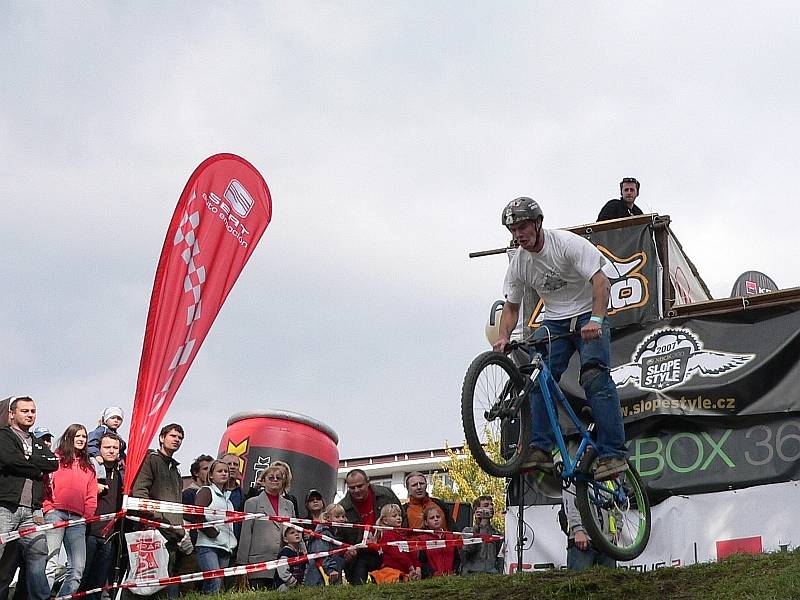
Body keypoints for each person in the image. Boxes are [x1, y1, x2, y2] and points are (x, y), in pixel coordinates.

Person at [494, 197, 628, 480]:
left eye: (523, 227)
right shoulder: (520, 263)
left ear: (538, 223)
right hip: (555, 320)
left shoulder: (566, 244)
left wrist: (596, 320)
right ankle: (540, 449)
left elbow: (601, 282)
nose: (519, 234)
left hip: (587, 312)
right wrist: (503, 339)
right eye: (513, 230)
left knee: (594, 375)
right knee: (535, 378)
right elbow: (512, 307)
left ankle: (613, 453)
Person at [0, 396, 58, 600]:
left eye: (33, 411)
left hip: (32, 511)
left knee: (38, 552)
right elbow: (8, 459)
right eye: (25, 411)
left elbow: (53, 463)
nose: (30, 415)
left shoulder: (36, 440)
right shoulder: (4, 435)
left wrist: (25, 459)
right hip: (5, 507)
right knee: (2, 560)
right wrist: (36, 467)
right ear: (12, 414)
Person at [130, 423, 190, 597]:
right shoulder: (151, 460)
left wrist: (180, 528)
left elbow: (177, 504)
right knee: (145, 587)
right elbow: (140, 492)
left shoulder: (176, 470)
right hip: (153, 530)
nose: (177, 440)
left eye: (180, 438)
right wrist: (156, 517)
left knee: (165, 584)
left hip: (173, 534)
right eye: (173, 436)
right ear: (162, 438)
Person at [43, 424, 97, 597]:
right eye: (78, 436)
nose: (81, 439)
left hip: (77, 520)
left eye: (84, 436)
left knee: (77, 569)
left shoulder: (89, 466)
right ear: (68, 437)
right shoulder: (55, 459)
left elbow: (91, 495)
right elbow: (44, 484)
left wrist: (87, 516)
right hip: (55, 514)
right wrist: (48, 508)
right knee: (50, 564)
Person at [338, 469, 403, 585]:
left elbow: (403, 518)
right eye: (352, 488)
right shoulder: (343, 507)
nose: (356, 490)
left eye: (359, 486)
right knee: (359, 588)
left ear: (368, 482)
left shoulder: (386, 495)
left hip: (388, 550)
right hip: (361, 555)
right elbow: (339, 537)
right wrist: (347, 552)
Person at [236, 464, 296, 588]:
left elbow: (294, 530)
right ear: (263, 481)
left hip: (283, 565)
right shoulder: (252, 503)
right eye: (271, 478)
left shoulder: (289, 505)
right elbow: (246, 534)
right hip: (259, 564)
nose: (275, 480)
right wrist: (242, 564)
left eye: (278, 478)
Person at [81, 433, 124, 600]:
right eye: (107, 447)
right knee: (82, 576)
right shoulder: (90, 469)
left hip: (110, 535)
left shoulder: (122, 473)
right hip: (89, 531)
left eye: (115, 448)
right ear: (98, 449)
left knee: (98, 583)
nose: (111, 451)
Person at [193, 460, 238, 594]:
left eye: (226, 471)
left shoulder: (228, 499)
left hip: (225, 547)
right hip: (208, 545)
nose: (224, 473)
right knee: (214, 581)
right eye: (220, 471)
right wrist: (214, 533)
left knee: (218, 586)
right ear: (211, 475)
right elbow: (197, 515)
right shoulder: (206, 491)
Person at [562, 484, 616, 570]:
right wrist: (578, 530)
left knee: (609, 581)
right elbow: (570, 505)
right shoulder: (573, 474)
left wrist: (618, 530)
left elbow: (618, 506)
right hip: (583, 541)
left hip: (607, 543)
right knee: (580, 581)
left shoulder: (608, 479)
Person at [368, 504, 420, 584]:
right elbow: (396, 553)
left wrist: (417, 566)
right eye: (394, 516)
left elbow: (411, 552)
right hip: (392, 569)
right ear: (385, 520)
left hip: (405, 570)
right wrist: (410, 566)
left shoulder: (403, 535)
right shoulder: (387, 535)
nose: (398, 518)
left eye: (399, 515)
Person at [303, 503, 346, 586]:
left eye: (343, 516)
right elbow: (321, 555)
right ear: (328, 518)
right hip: (319, 578)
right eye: (337, 517)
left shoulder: (333, 533)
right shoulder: (323, 533)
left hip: (327, 576)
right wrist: (331, 570)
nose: (341, 519)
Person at [461, 496, 503, 575]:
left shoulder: (497, 534)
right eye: (486, 505)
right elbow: (467, 551)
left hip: (491, 576)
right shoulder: (468, 531)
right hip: (472, 575)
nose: (491, 507)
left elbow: (500, 558)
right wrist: (478, 525)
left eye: (492, 505)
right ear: (477, 509)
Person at [418, 506, 459, 577]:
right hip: (433, 579)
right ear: (426, 522)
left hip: (451, 577)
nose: (436, 519)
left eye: (438, 517)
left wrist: (454, 571)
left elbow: (457, 558)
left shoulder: (450, 537)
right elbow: (422, 562)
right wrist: (432, 573)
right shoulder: (422, 539)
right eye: (432, 518)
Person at [218, 453, 245, 540]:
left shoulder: (243, 495)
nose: (232, 467)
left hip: (235, 544)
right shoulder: (210, 491)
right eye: (229, 464)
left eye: (235, 464)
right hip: (214, 542)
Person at [273, 526, 305, 591]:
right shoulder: (285, 552)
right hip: (283, 585)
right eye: (292, 532)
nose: (296, 534)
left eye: (298, 531)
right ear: (285, 539)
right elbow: (283, 573)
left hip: (298, 584)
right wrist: (295, 583)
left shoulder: (301, 553)